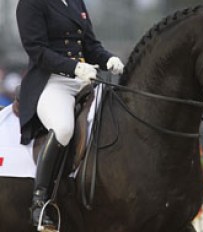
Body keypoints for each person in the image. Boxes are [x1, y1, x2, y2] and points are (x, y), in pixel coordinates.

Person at [16, 0, 124, 227]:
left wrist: (108, 59)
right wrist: (73, 67)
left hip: (84, 79)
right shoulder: (30, 3)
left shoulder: (75, 1)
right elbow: (37, 50)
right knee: (63, 128)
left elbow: (90, 46)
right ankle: (39, 201)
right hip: (51, 82)